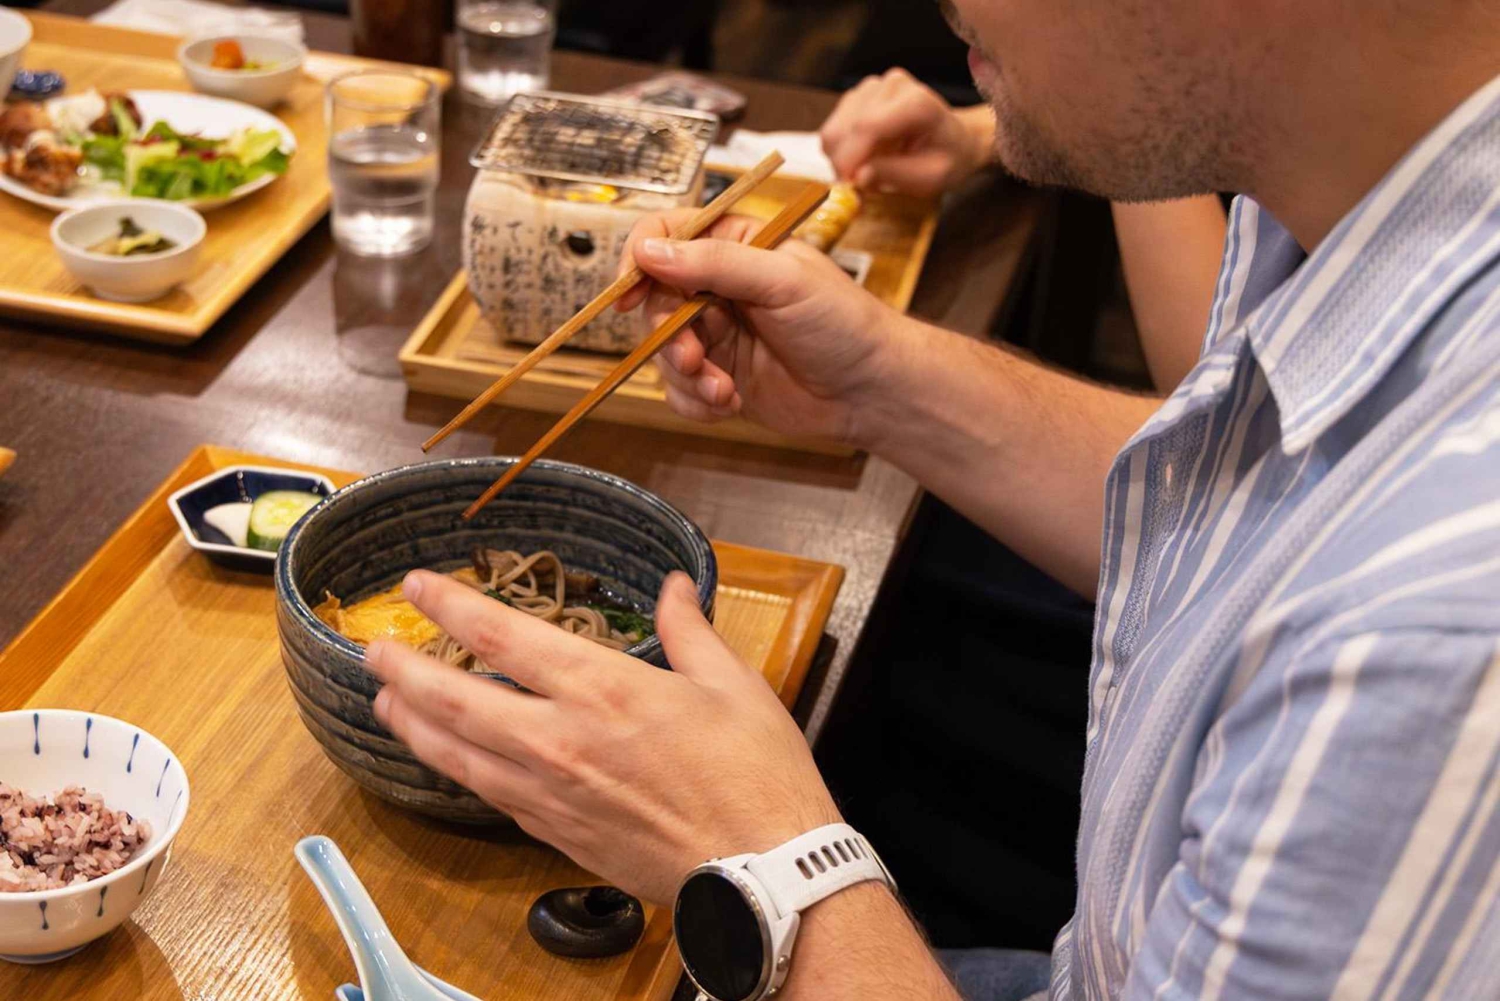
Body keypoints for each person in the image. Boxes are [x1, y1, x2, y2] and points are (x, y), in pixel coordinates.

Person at [364, 0, 1500, 997]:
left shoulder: (1435, 638)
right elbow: (1270, 508)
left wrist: (771, 863)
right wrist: (883, 383)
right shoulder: (1355, 182)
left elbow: (1357, 584)